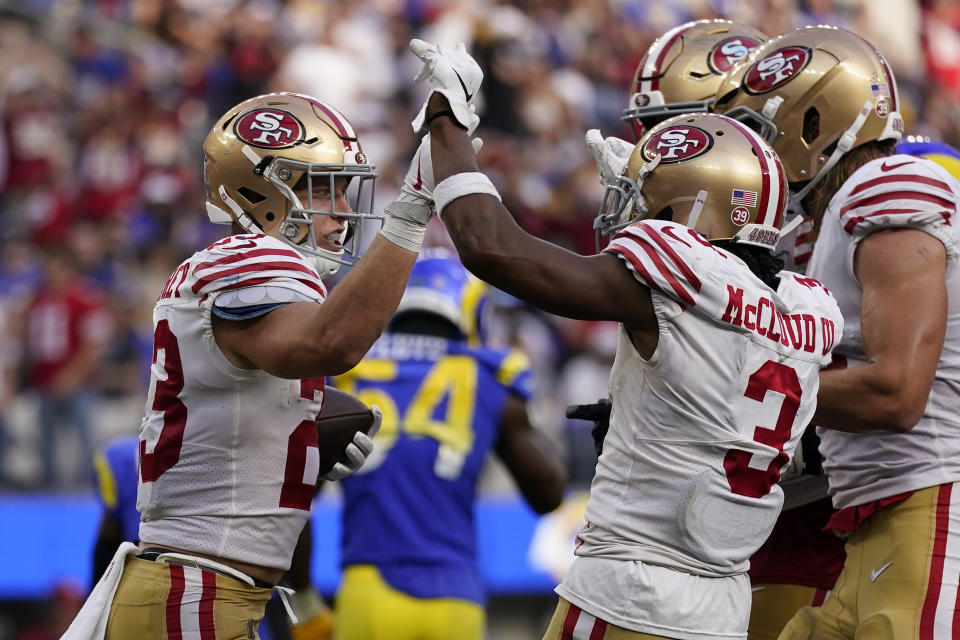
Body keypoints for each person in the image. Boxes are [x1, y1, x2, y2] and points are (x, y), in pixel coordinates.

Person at [405, 39, 843, 639]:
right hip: (722, 604)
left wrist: (445, 125)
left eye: (642, 202)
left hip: (628, 591)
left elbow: (492, 247)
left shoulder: (682, 276)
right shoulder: (804, 308)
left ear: (689, 211)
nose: (625, 215)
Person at [63, 91, 440, 639]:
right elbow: (331, 344)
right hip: (193, 589)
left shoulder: (255, 273)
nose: (341, 210)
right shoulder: (248, 258)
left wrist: (296, 439)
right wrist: (412, 211)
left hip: (209, 589)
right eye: (323, 188)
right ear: (258, 188)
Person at [715, 25, 960, 638]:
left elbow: (897, 392)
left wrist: (727, 393)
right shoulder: (832, 218)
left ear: (813, 123)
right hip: (871, 524)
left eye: (763, 133)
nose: (754, 155)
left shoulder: (885, 187)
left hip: (931, 505)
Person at [329, 249, 566, 640]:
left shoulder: (350, 373)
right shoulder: (490, 376)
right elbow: (549, 496)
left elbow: (298, 493)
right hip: (454, 595)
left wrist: (304, 599)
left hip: (367, 588)